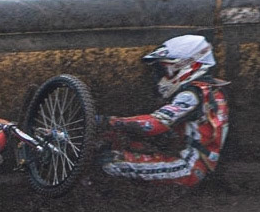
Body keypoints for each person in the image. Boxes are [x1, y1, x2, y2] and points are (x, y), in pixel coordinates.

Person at [96, 34, 230, 187]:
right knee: (117, 140)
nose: (160, 77)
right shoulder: (212, 89)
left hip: (186, 167)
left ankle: (100, 195)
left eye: (163, 70)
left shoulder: (191, 95)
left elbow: (154, 124)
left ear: (185, 65)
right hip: (190, 159)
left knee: (109, 162)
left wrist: (109, 121)